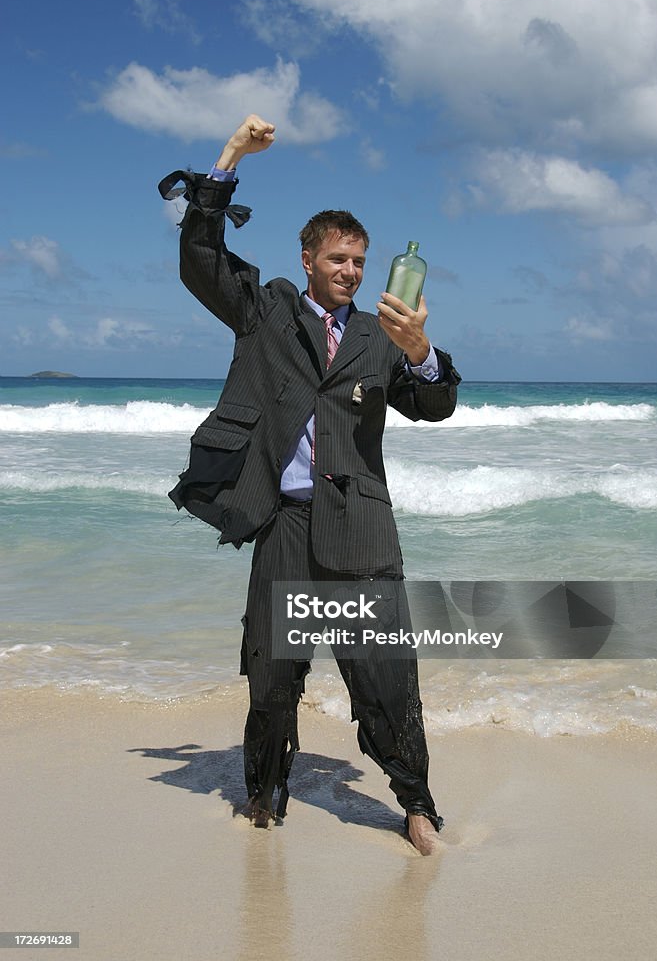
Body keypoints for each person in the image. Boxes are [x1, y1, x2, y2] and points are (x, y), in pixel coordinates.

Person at [160, 114, 461, 855]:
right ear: (308, 257)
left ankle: (417, 807)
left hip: (361, 530)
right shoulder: (267, 313)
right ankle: (263, 798)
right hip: (287, 527)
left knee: (388, 680)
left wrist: (421, 354)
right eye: (339, 259)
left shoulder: (381, 335)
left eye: (359, 261)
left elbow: (434, 405)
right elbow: (201, 258)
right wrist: (230, 157)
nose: (352, 272)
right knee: (272, 678)